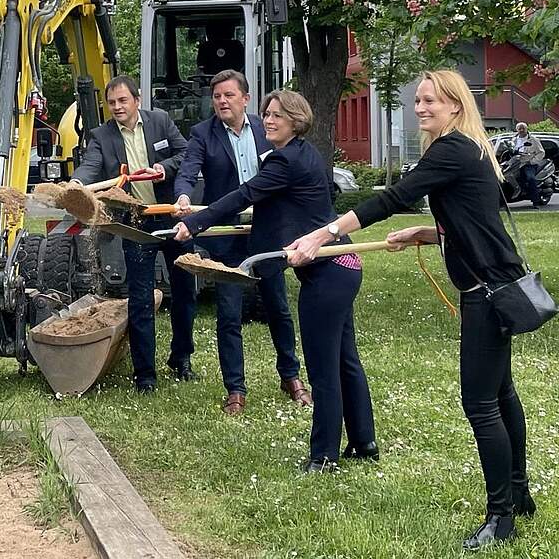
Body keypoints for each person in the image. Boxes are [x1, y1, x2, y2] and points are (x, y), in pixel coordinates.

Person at [286, 70, 535, 550]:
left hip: (487, 291)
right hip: (497, 282)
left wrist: (325, 233)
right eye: (417, 100)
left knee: (481, 404)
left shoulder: (451, 149)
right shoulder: (469, 148)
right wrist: (424, 234)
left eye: (430, 101)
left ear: (455, 106)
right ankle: (519, 495)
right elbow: (474, 220)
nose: (420, 107)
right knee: (502, 394)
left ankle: (501, 518)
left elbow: (393, 197)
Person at [174, 90, 376, 472]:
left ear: (296, 121)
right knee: (345, 358)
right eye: (266, 114)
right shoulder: (303, 153)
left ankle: (324, 456)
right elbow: (265, 206)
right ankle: (363, 441)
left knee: (322, 367)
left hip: (329, 272)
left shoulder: (286, 161)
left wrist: (194, 223)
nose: (267, 121)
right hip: (344, 265)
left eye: (277, 116)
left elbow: (243, 195)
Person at [173, 70, 311, 415]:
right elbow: (188, 170)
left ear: (245, 99)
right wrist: (183, 196)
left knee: (278, 308)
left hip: (266, 234)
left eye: (229, 95)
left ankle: (291, 376)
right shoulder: (202, 134)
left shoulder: (268, 130)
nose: (222, 101)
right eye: (217, 96)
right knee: (229, 315)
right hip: (227, 239)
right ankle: (235, 389)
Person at [71, 75, 196, 393]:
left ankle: (181, 359)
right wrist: (76, 184)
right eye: (112, 102)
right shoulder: (101, 135)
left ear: (137, 100)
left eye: (123, 101)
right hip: (136, 223)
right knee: (140, 299)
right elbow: (92, 164)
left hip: (171, 216)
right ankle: (146, 376)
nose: (117, 107)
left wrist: (164, 168)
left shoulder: (161, 121)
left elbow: (187, 154)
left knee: (184, 291)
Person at [512, 122, 545, 206]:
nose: (522, 130)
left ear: (527, 129)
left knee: (531, 178)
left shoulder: (533, 140)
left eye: (523, 128)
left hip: (529, 164)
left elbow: (541, 152)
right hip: (516, 163)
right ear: (517, 130)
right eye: (520, 128)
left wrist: (532, 161)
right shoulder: (514, 139)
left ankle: (535, 201)